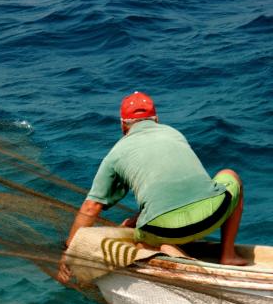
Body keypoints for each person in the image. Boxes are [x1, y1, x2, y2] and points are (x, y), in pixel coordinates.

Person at [58, 91, 246, 284]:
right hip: (214, 215)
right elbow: (178, 189)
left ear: (123, 125)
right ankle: (228, 254)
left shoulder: (116, 153)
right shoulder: (174, 133)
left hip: (166, 230)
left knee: (137, 238)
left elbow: (91, 207)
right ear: (156, 119)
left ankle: (162, 248)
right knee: (231, 175)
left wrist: (70, 251)